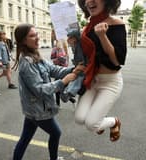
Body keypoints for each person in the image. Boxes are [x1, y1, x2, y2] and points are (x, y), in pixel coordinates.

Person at [12, 24, 83, 160]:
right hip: (38, 110)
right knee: (55, 133)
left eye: (37, 34)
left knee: (25, 138)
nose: (37, 37)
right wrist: (64, 82)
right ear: (23, 41)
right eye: (32, 36)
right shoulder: (27, 62)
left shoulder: (34, 55)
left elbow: (54, 70)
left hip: (33, 109)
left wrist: (73, 69)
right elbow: (40, 90)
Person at [74, 0, 127, 142]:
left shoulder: (116, 24)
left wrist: (102, 36)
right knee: (79, 119)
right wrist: (74, 44)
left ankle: (114, 122)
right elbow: (85, 58)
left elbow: (118, 61)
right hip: (92, 80)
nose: (89, 1)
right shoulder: (87, 28)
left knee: (91, 124)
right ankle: (100, 121)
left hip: (110, 83)